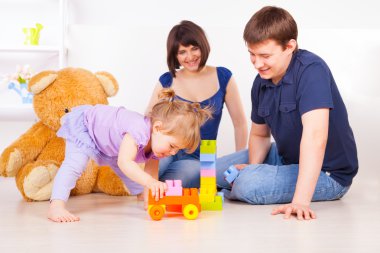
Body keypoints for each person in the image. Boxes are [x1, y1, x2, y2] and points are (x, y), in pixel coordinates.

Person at [216, 6, 358, 220]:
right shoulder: (261, 82)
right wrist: (253, 166)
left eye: (264, 55)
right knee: (213, 170)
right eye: (252, 55)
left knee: (247, 183)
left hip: (328, 173)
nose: (257, 63)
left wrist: (300, 201)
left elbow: (315, 137)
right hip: (284, 156)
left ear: (289, 46)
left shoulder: (312, 71)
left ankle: (236, 186)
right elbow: (260, 134)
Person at [48, 88, 211, 222]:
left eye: (177, 150)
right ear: (157, 128)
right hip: (86, 126)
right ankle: (56, 205)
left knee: (134, 174)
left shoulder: (156, 147)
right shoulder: (138, 129)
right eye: (172, 146)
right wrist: (151, 183)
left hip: (110, 144)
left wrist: (150, 197)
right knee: (75, 165)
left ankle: (140, 194)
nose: (172, 153)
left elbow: (150, 173)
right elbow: (125, 163)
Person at [146, 20, 248, 188]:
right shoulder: (167, 79)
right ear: (175, 55)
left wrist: (237, 159)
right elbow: (148, 118)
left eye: (194, 48)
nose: (190, 56)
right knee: (151, 171)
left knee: (176, 181)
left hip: (200, 158)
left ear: (203, 46)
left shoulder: (223, 76)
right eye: (182, 52)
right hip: (167, 150)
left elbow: (240, 123)